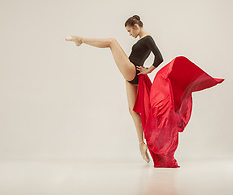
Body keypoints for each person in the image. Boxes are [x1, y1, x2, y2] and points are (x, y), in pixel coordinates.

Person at [65, 15, 163, 163]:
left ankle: (81, 40)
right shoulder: (142, 40)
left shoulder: (147, 38)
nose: (130, 34)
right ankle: (141, 144)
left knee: (111, 42)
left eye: (130, 30)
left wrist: (148, 70)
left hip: (132, 70)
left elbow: (159, 57)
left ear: (136, 26)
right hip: (132, 75)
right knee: (132, 110)